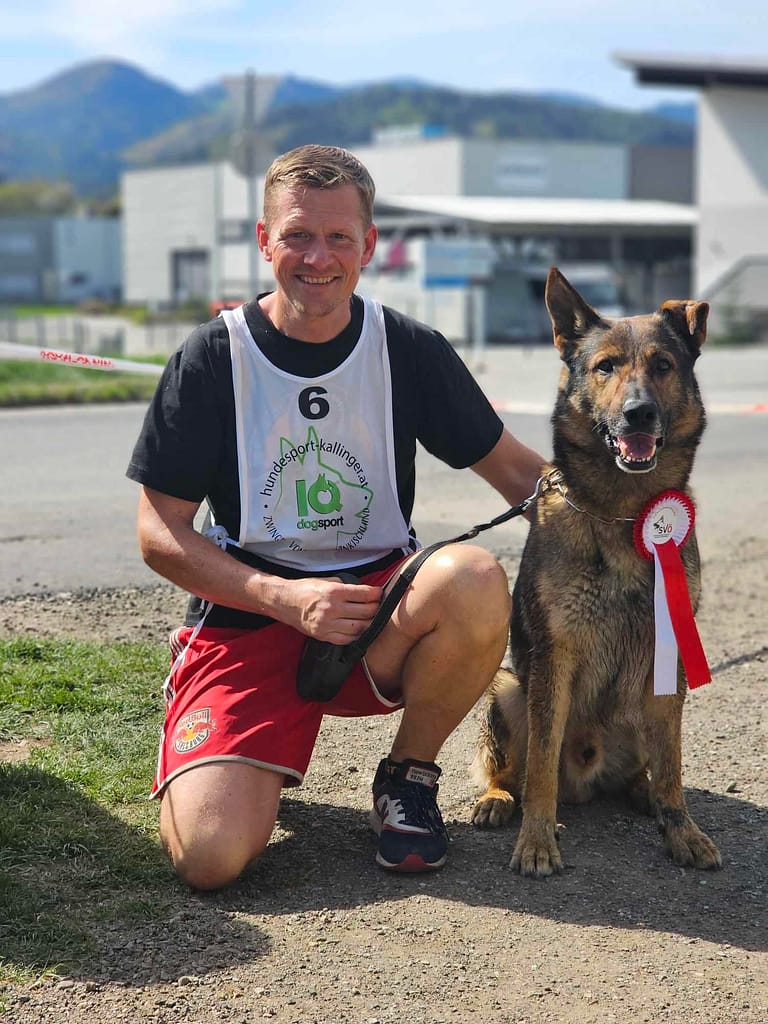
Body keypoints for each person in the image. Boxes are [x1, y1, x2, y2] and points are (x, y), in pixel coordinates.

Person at [126, 144, 545, 890]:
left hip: (371, 614)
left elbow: (518, 474)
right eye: (296, 235)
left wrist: (635, 517)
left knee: (473, 578)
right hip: (252, 614)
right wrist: (283, 597)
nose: (317, 257)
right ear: (264, 242)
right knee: (210, 860)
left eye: (338, 237)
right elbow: (159, 533)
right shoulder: (212, 358)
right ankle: (210, 713)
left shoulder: (409, 349)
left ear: (369, 246)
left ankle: (407, 778)